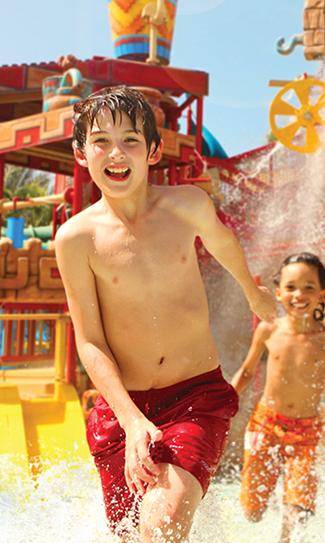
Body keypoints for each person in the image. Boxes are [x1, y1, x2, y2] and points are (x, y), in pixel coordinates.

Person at [55, 85, 275, 541]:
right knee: (130, 533)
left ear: (153, 151)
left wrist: (253, 294)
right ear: (81, 153)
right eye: (101, 141)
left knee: (163, 522)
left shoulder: (187, 205)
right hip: (124, 409)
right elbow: (90, 341)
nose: (117, 153)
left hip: (195, 396)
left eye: (131, 140)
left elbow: (224, 245)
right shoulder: (76, 240)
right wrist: (133, 421)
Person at [230, 252, 325, 543]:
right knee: (252, 512)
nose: (299, 294)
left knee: (297, 513)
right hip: (265, 426)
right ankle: (274, 496)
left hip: (306, 434)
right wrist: (222, 404)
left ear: (322, 294)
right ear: (278, 292)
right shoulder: (269, 329)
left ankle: (289, 508)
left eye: (309, 287)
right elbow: (246, 372)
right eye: (291, 287)